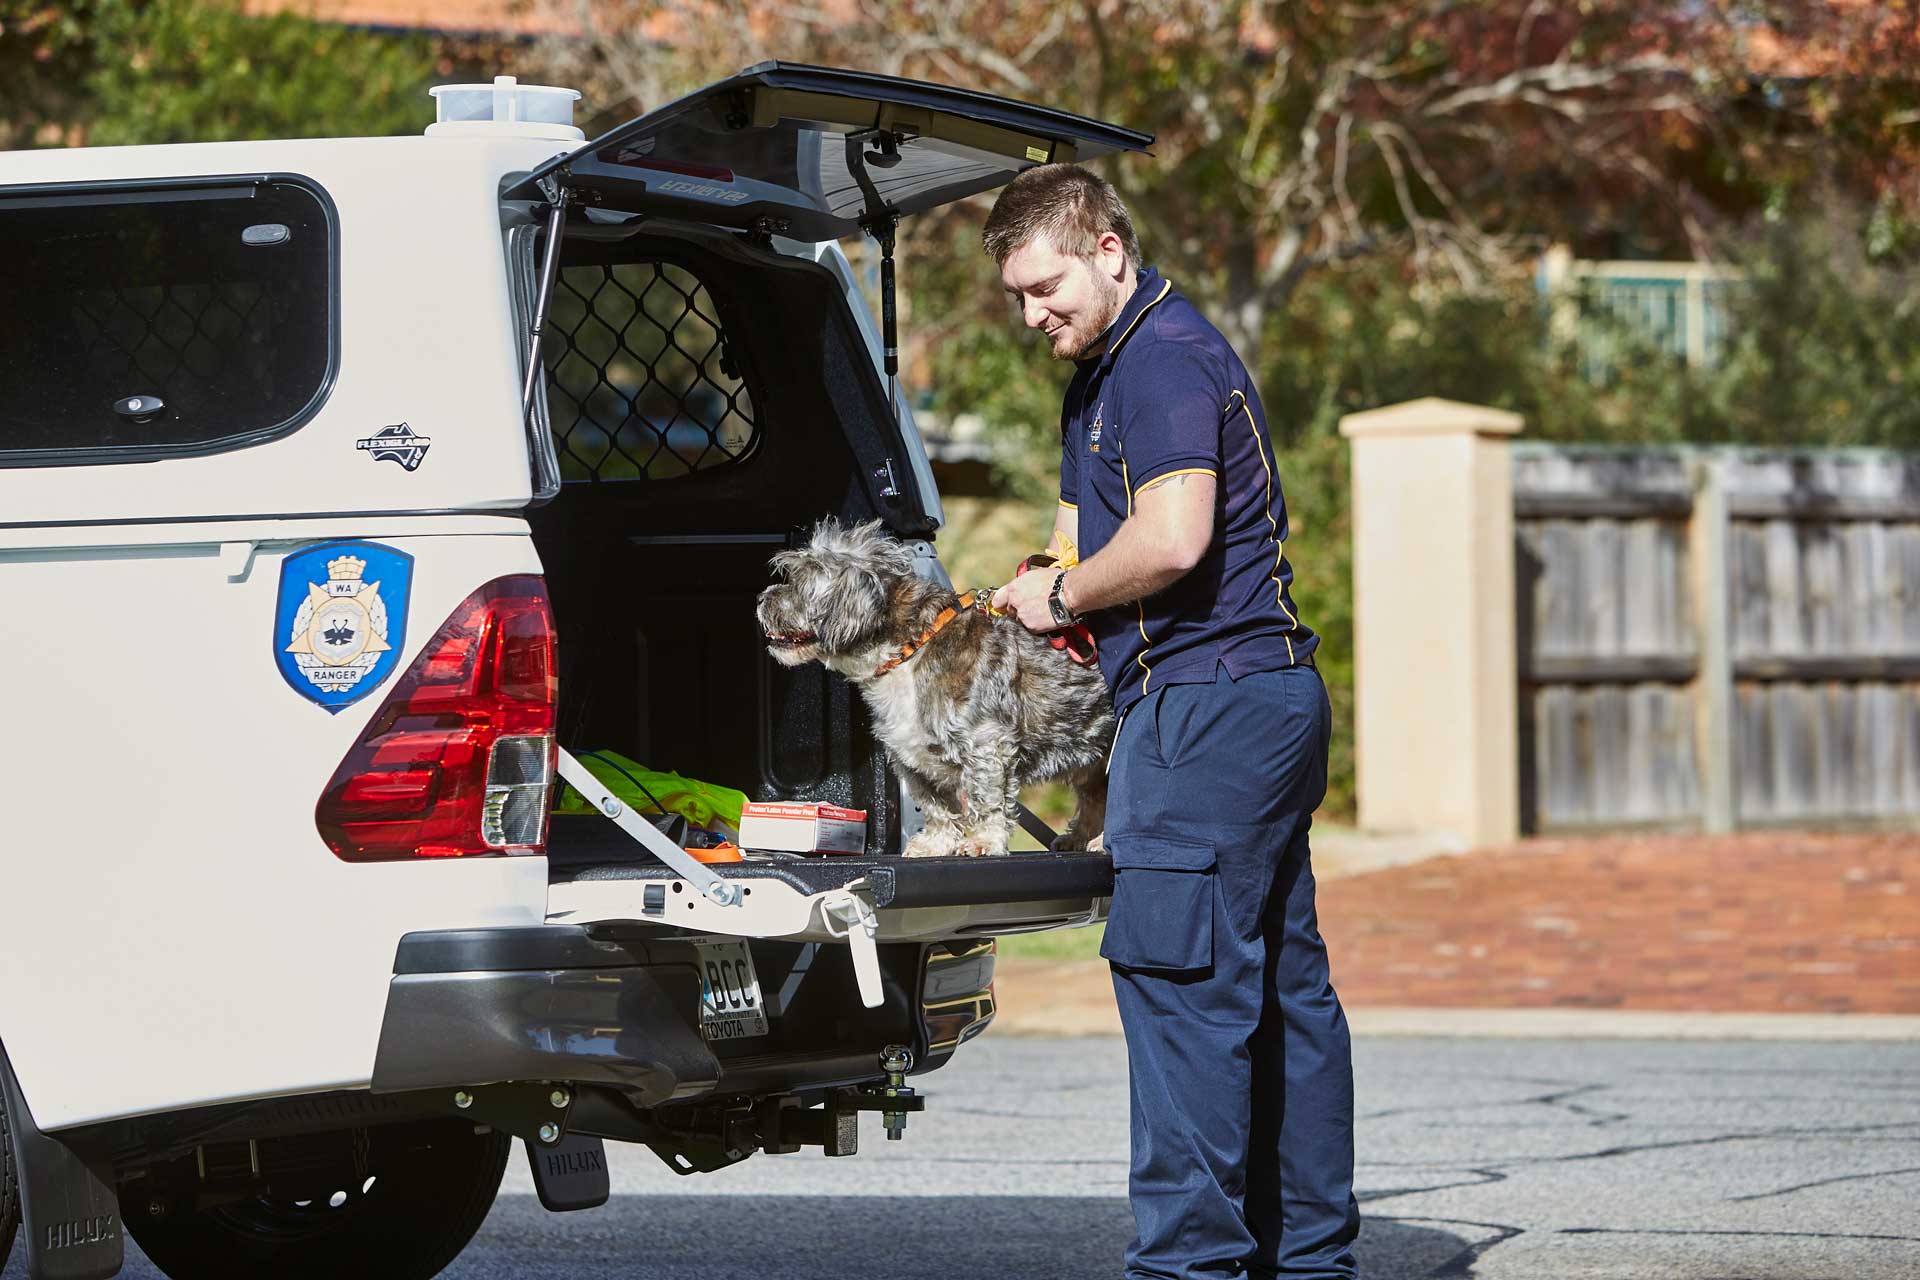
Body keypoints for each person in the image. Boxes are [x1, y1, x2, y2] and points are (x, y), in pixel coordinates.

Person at [985, 164, 1360, 1280]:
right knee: (1282, 998)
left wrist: (1058, 597)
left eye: (1045, 284)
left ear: (1106, 247)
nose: (1031, 311)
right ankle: (1310, 1263)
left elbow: (1174, 539)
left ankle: (1189, 1268)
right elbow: (1074, 541)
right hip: (1251, 702)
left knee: (1183, 995)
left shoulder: (1160, 361)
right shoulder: (1103, 373)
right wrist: (1045, 587)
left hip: (1210, 705)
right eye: (1015, 295)